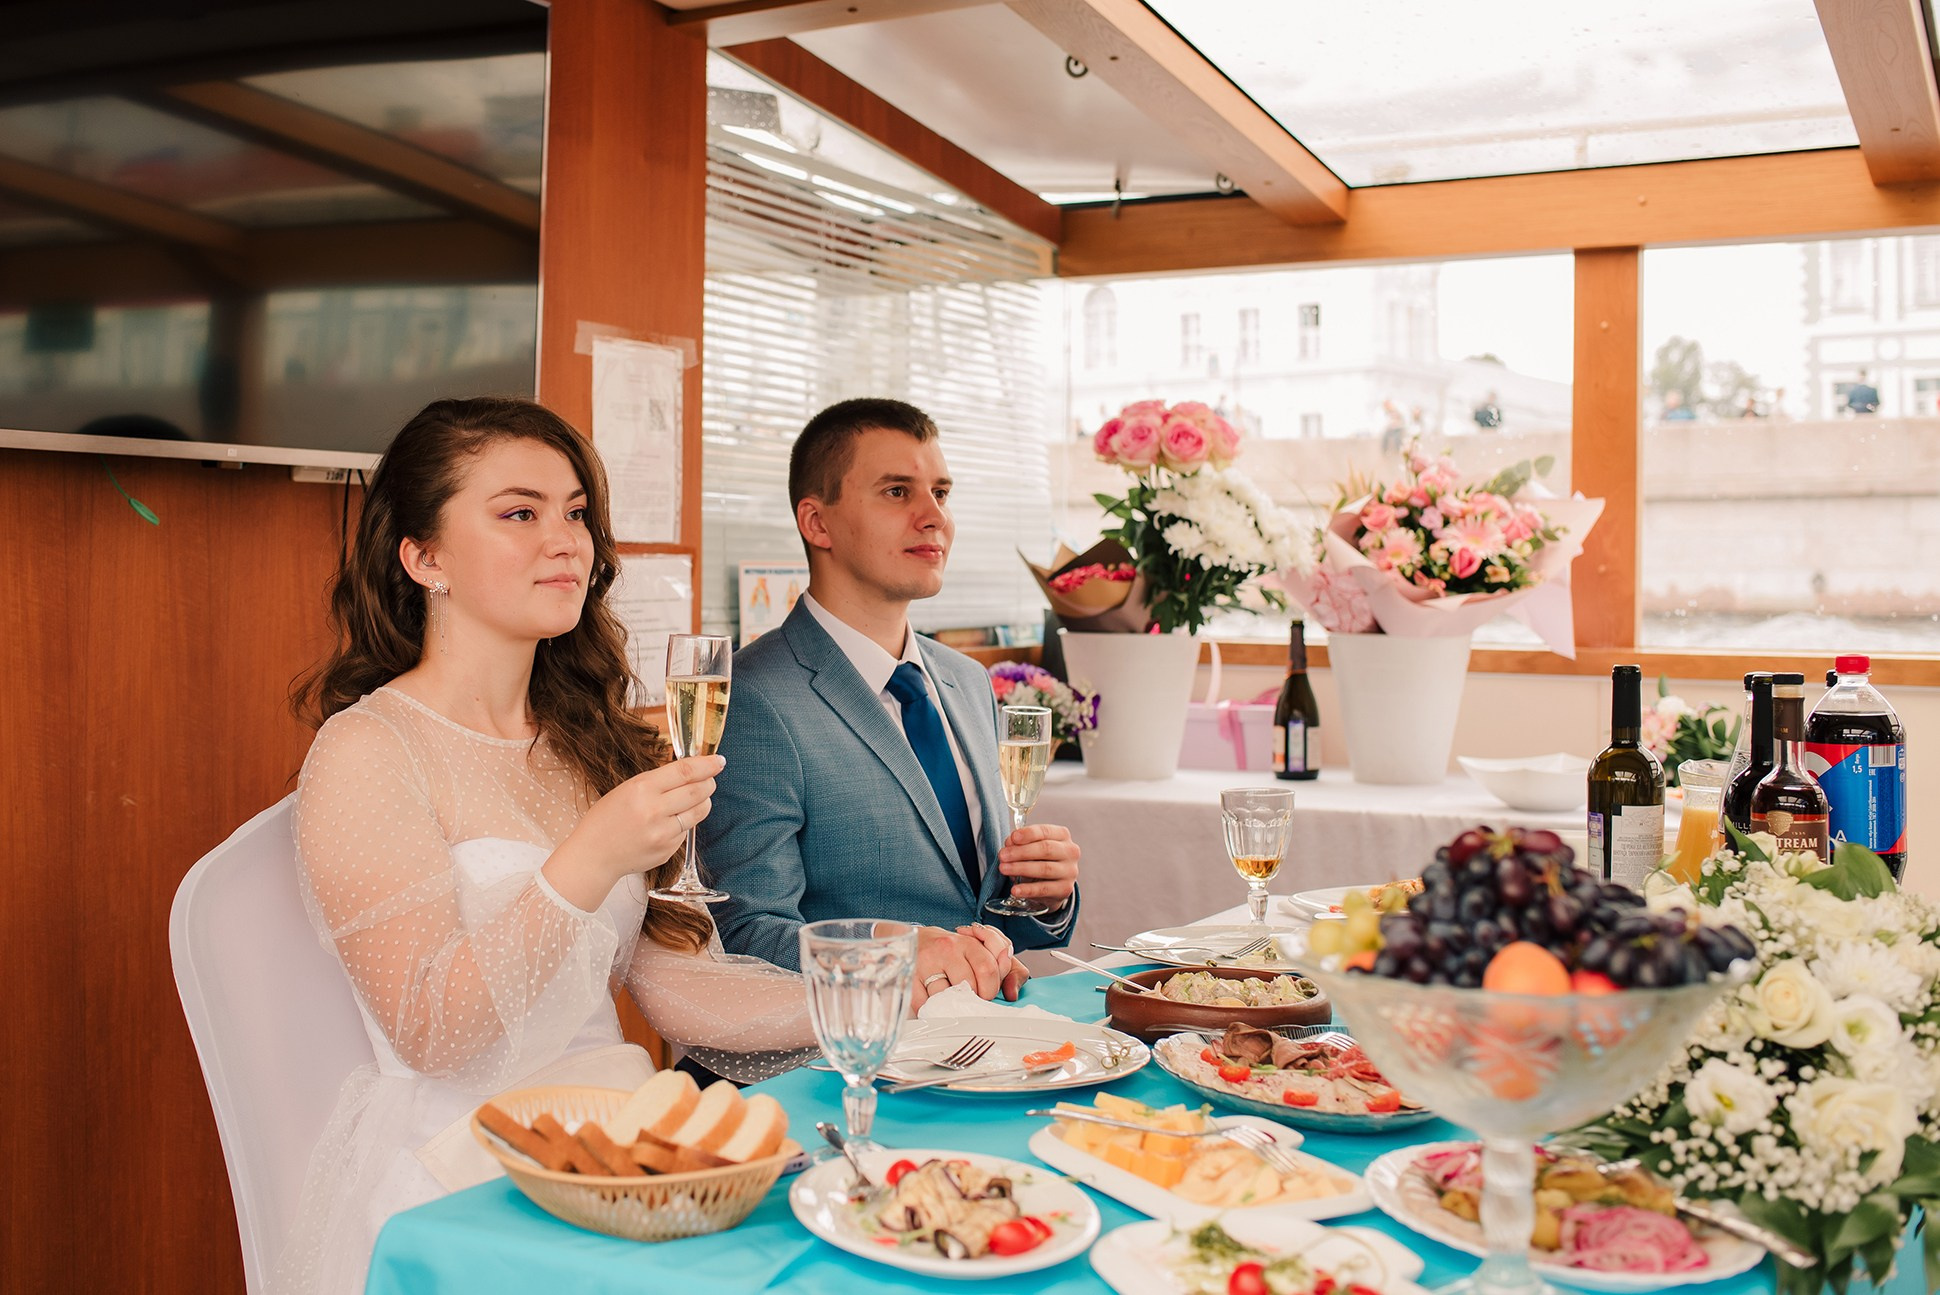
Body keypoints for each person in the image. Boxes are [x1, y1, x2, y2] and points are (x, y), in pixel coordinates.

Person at [279, 397, 815, 1295]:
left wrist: (873, 999)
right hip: (466, 1167)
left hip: (625, 1137)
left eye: (575, 513)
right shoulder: (367, 751)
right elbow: (433, 1028)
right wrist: (587, 860)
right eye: (520, 513)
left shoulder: (583, 740)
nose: (568, 540)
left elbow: (671, 986)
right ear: (424, 557)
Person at [700, 398, 1082, 1006]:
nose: (934, 517)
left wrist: (1045, 895)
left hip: (987, 1041)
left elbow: (984, 912)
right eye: (898, 492)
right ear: (817, 523)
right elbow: (745, 940)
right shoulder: (752, 698)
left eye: (942, 492)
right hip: (852, 1061)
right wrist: (894, 957)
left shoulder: (967, 679)